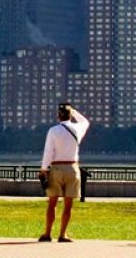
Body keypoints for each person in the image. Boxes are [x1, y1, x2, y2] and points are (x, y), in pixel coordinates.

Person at [38, 102, 90, 243]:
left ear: (58, 116)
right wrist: (74, 111)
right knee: (68, 205)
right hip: (72, 168)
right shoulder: (77, 129)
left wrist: (43, 169)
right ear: (69, 115)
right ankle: (63, 234)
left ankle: (47, 233)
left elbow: (48, 152)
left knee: (52, 203)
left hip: (56, 168)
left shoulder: (53, 131)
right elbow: (85, 121)